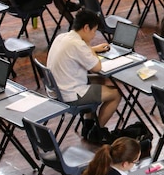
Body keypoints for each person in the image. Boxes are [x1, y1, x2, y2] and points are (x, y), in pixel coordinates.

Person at [46, 9, 120, 143]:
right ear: (86, 28)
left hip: (57, 89)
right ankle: (97, 131)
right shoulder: (79, 44)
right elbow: (97, 67)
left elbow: (77, 52)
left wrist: (93, 49)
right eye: (93, 31)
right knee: (115, 94)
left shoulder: (62, 37)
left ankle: (88, 124)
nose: (93, 35)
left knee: (99, 79)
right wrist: (89, 47)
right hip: (70, 94)